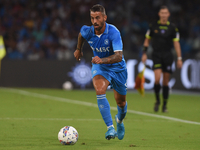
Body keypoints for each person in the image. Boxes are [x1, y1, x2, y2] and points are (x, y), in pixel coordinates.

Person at [74, 4, 127, 140]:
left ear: (105, 17)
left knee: (121, 103)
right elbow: (81, 35)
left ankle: (119, 121)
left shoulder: (113, 32)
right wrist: (79, 49)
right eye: (92, 18)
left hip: (117, 68)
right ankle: (110, 128)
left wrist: (102, 60)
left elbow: (118, 56)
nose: (95, 22)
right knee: (99, 89)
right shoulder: (88, 31)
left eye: (97, 18)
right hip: (100, 67)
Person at [141, 6, 182, 112]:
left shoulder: (173, 28)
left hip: (168, 55)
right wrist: (144, 53)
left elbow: (176, 43)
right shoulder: (153, 26)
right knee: (157, 78)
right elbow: (147, 40)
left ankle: (164, 104)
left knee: (165, 82)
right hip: (157, 55)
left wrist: (179, 58)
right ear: (159, 14)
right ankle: (157, 100)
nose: (164, 14)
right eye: (162, 12)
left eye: (165, 13)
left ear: (168, 14)